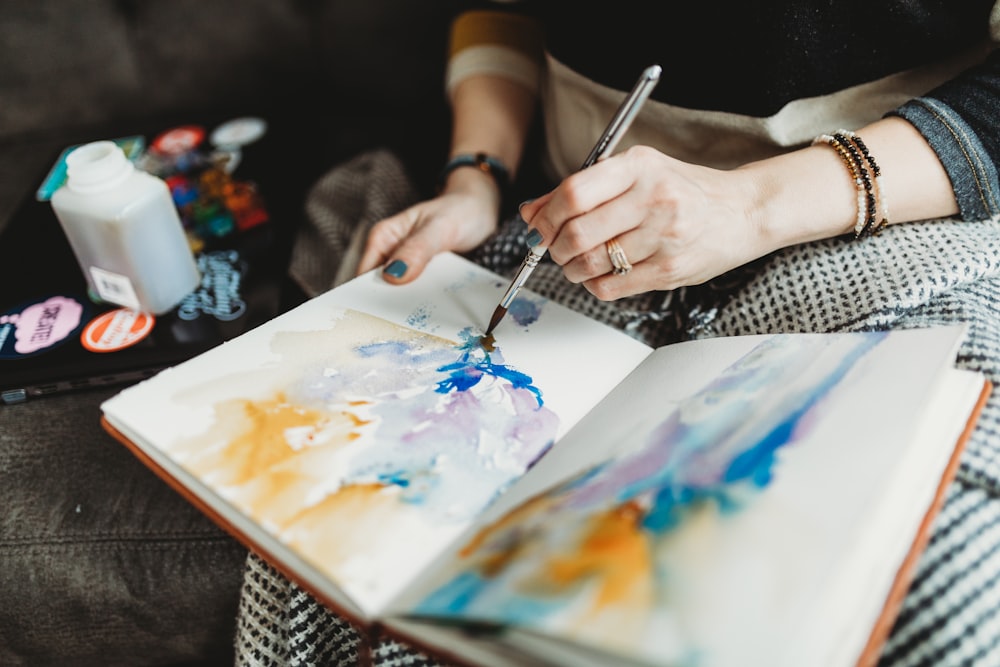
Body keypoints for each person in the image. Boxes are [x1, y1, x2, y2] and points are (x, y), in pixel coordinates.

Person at [236, 2, 1000, 665]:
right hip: (573, 218)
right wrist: (475, 177)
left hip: (878, 205)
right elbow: (506, 11)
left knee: (940, 558)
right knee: (360, 541)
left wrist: (752, 207)